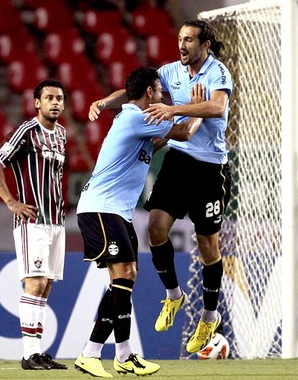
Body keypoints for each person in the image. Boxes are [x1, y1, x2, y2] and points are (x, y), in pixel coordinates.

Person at [88, 19, 233, 354]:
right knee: (155, 228)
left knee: (208, 245)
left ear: (205, 45)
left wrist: (174, 109)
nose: (182, 46)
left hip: (211, 168)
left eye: (190, 41)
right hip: (178, 160)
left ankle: (209, 316)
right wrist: (105, 101)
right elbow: (135, 90)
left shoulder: (217, 72)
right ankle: (173, 296)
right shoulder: (171, 71)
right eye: (180, 39)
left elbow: (217, 107)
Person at [75, 67, 204, 377]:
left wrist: (107, 100)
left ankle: (96, 353)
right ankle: (121, 355)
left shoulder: (136, 120)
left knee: (124, 278)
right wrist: (204, 110)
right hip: (101, 208)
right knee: (125, 274)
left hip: (115, 211)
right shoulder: (136, 116)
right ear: (149, 93)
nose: (162, 96)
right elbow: (185, 132)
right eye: (159, 91)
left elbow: (156, 143)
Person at [0, 79, 68, 371]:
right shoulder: (27, 131)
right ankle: (29, 354)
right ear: (37, 103)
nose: (55, 103)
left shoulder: (62, 135)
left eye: (59, 98)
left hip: (56, 221)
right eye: (49, 98)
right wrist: (10, 202)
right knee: (34, 283)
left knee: (45, 287)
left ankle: (39, 351)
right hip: (32, 220)